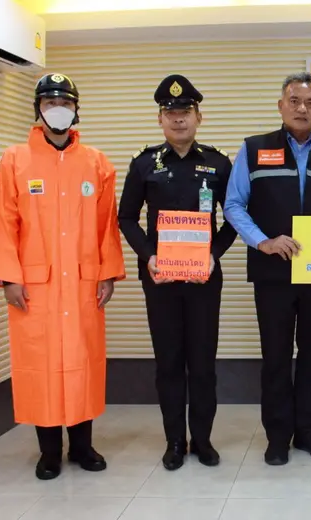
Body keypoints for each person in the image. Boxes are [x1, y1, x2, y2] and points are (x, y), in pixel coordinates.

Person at [0, 73, 126, 480]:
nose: (58, 110)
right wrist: (9, 277)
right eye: (50, 103)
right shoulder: (15, 159)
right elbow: (4, 222)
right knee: (42, 366)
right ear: (38, 109)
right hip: (36, 287)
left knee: (83, 363)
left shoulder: (96, 163)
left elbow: (106, 225)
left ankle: (82, 447)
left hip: (84, 283)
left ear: (76, 109)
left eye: (65, 102)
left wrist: (107, 274)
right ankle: (49, 452)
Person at [224, 72, 311, 466]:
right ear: (281, 106)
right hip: (273, 274)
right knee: (276, 357)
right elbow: (234, 204)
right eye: (295, 101)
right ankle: (277, 437)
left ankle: (310, 434)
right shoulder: (254, 148)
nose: (302, 108)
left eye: (310, 102)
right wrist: (262, 241)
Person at [118, 74, 237, 471]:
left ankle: (202, 439)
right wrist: (149, 256)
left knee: (202, 363)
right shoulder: (144, 163)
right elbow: (126, 218)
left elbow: (234, 217)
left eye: (185, 111)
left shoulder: (218, 163)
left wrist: (214, 254)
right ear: (160, 119)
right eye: (170, 112)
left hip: (204, 279)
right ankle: (174, 441)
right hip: (161, 281)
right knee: (168, 362)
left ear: (199, 117)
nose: (178, 119)